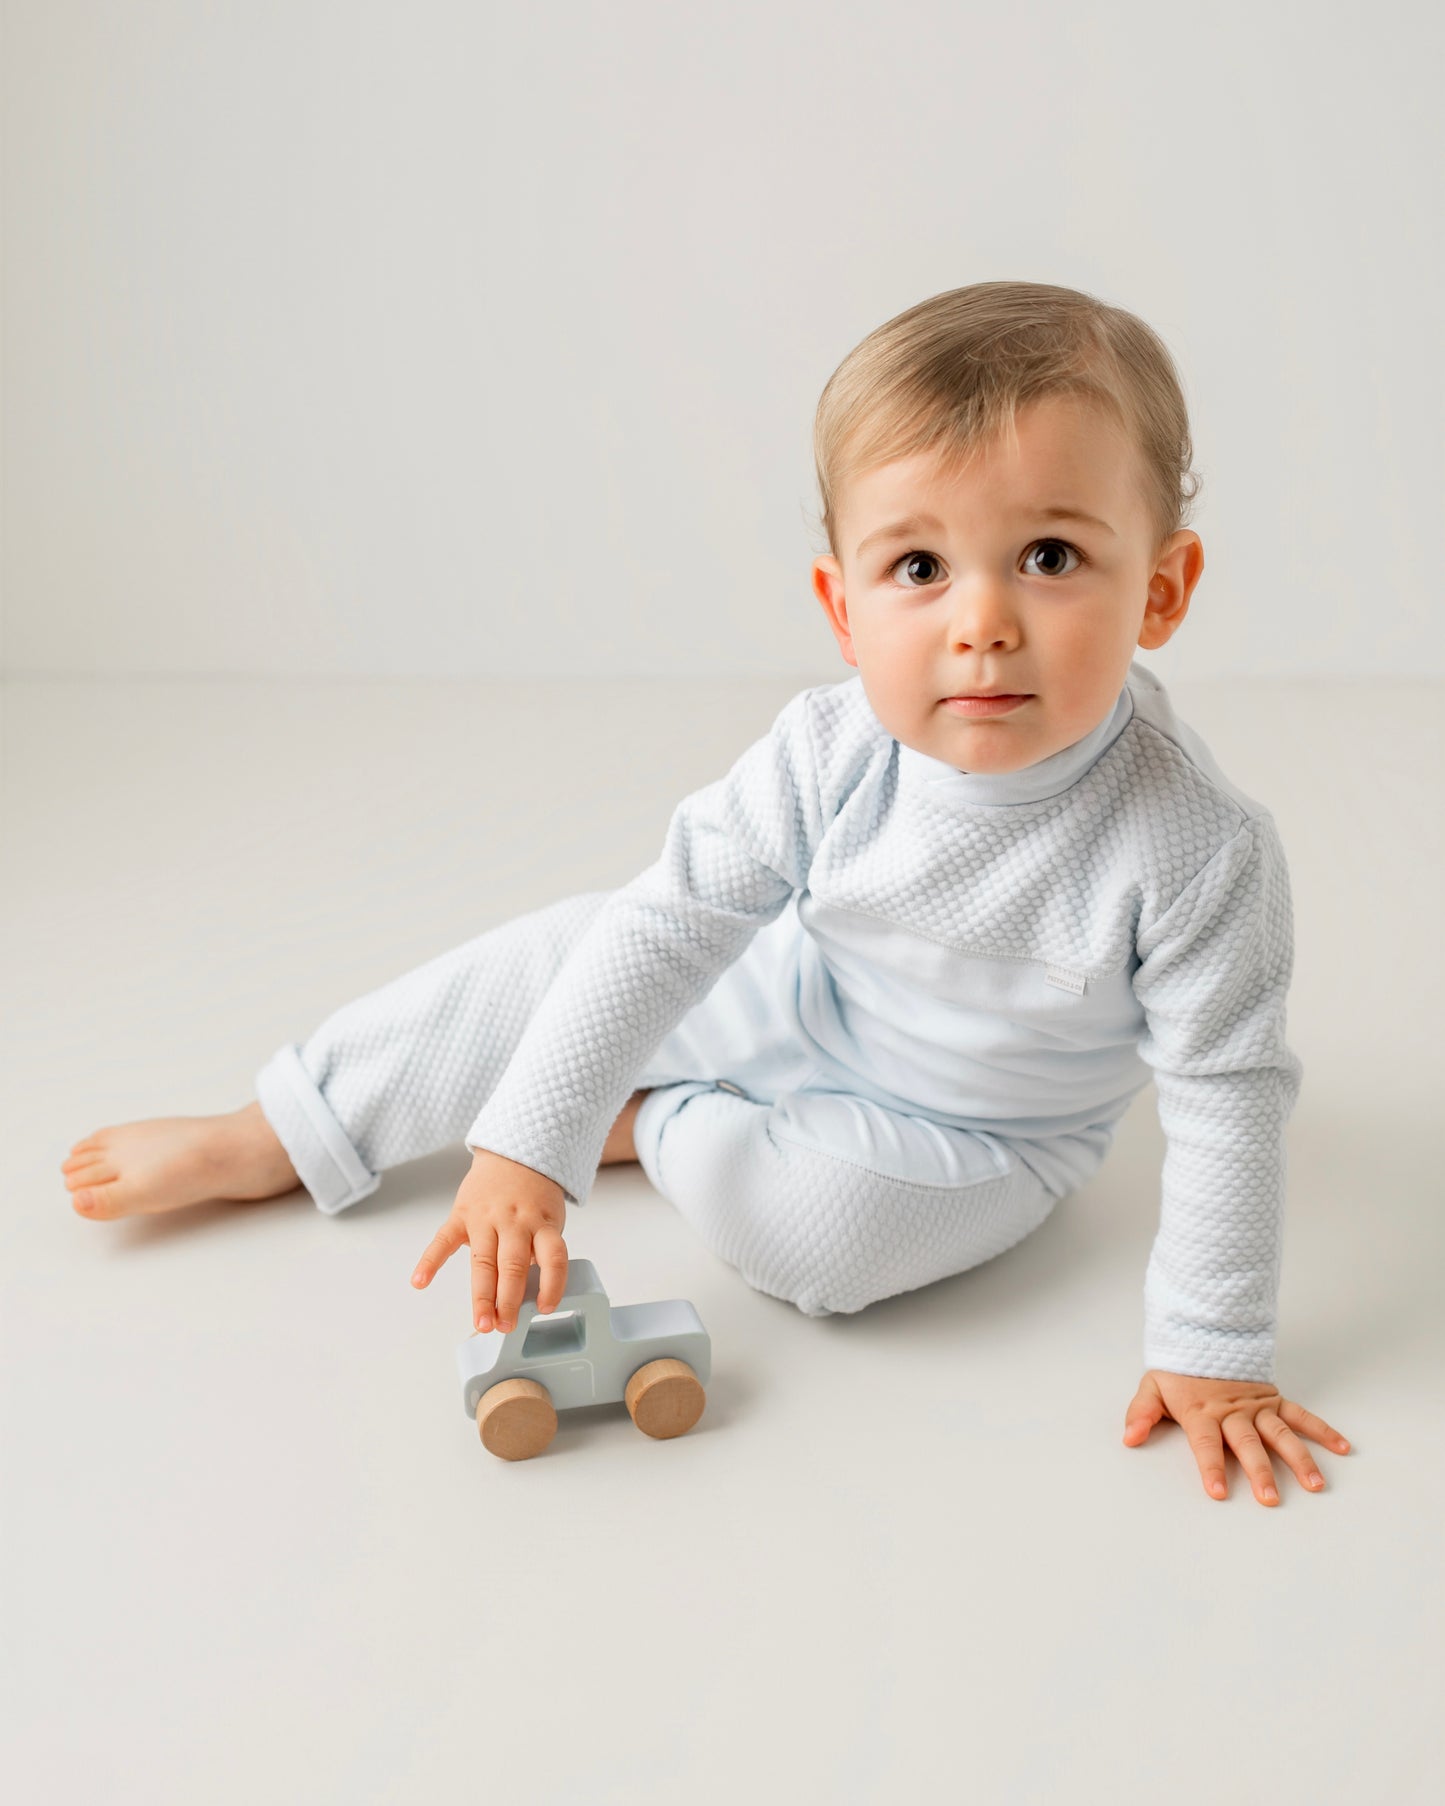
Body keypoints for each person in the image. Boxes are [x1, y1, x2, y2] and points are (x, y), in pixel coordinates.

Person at [61, 279, 1351, 1503]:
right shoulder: (829, 750)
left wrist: (1213, 1343)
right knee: (571, 952)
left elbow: (1228, 1101)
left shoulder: (1193, 848)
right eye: (919, 570)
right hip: (787, 996)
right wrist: (528, 1146)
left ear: (1163, 589)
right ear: (842, 610)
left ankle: (658, 1118)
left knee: (827, 1242)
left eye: (1052, 555)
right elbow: (676, 923)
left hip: (972, 1138)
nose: (984, 622)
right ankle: (282, 1129)